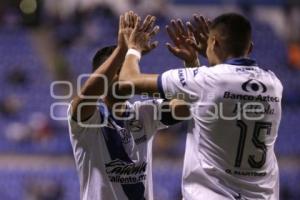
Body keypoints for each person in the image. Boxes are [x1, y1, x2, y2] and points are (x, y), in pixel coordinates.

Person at [119, 12, 283, 200]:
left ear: (213, 43)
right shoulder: (274, 84)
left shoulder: (206, 80)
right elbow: (218, 91)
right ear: (250, 47)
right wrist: (197, 60)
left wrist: (133, 48)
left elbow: (127, 81)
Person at [67, 12, 189, 200]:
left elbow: (185, 107)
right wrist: (123, 49)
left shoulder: (144, 112)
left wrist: (190, 64)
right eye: (119, 71)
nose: (126, 77)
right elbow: (88, 94)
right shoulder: (88, 119)